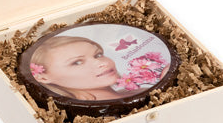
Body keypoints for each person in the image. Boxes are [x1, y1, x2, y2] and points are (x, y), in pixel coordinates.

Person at [29, 35, 167, 101]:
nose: (101, 63)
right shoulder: (87, 115)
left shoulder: (135, 90)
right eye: (77, 62)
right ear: (43, 77)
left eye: (98, 55)